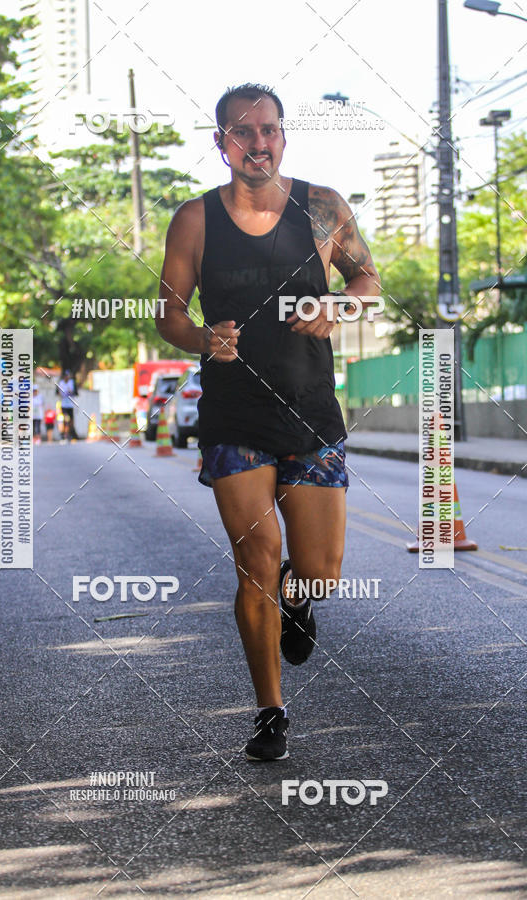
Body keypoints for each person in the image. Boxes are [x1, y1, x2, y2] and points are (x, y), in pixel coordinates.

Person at [156, 84, 380, 761]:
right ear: (220, 142)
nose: (257, 144)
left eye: (269, 131)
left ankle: (299, 601)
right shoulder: (195, 220)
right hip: (233, 418)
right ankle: (269, 711)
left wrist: (338, 308)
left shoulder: (322, 207)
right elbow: (168, 313)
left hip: (311, 413)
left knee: (318, 572)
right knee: (255, 563)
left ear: (284, 136)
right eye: (241, 133)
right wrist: (202, 339)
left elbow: (369, 280)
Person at [56, 370, 77, 441]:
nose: (67, 377)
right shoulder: (61, 383)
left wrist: (67, 391)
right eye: (66, 376)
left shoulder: (71, 382)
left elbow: (72, 391)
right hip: (64, 404)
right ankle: (64, 434)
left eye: (68, 376)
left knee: (70, 420)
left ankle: (69, 433)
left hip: (70, 405)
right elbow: (60, 393)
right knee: (65, 419)